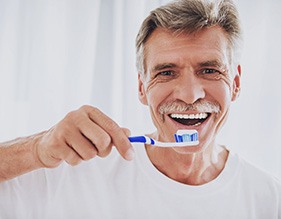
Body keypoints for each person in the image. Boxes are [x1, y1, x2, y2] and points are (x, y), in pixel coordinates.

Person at [0, 0, 280, 218]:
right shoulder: (74, 173)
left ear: (236, 82)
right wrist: (35, 150)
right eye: (167, 73)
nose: (190, 95)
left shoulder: (268, 198)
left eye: (209, 70)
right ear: (142, 87)